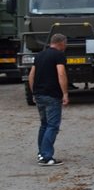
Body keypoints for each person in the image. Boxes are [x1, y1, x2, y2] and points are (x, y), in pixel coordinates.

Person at [28, 33, 70, 166]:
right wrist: (65, 93)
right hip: (52, 95)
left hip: (39, 94)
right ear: (61, 42)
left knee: (44, 125)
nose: (66, 46)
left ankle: (41, 153)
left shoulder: (39, 56)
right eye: (65, 43)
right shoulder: (58, 55)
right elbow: (61, 73)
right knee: (52, 126)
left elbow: (31, 75)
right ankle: (47, 157)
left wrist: (34, 92)